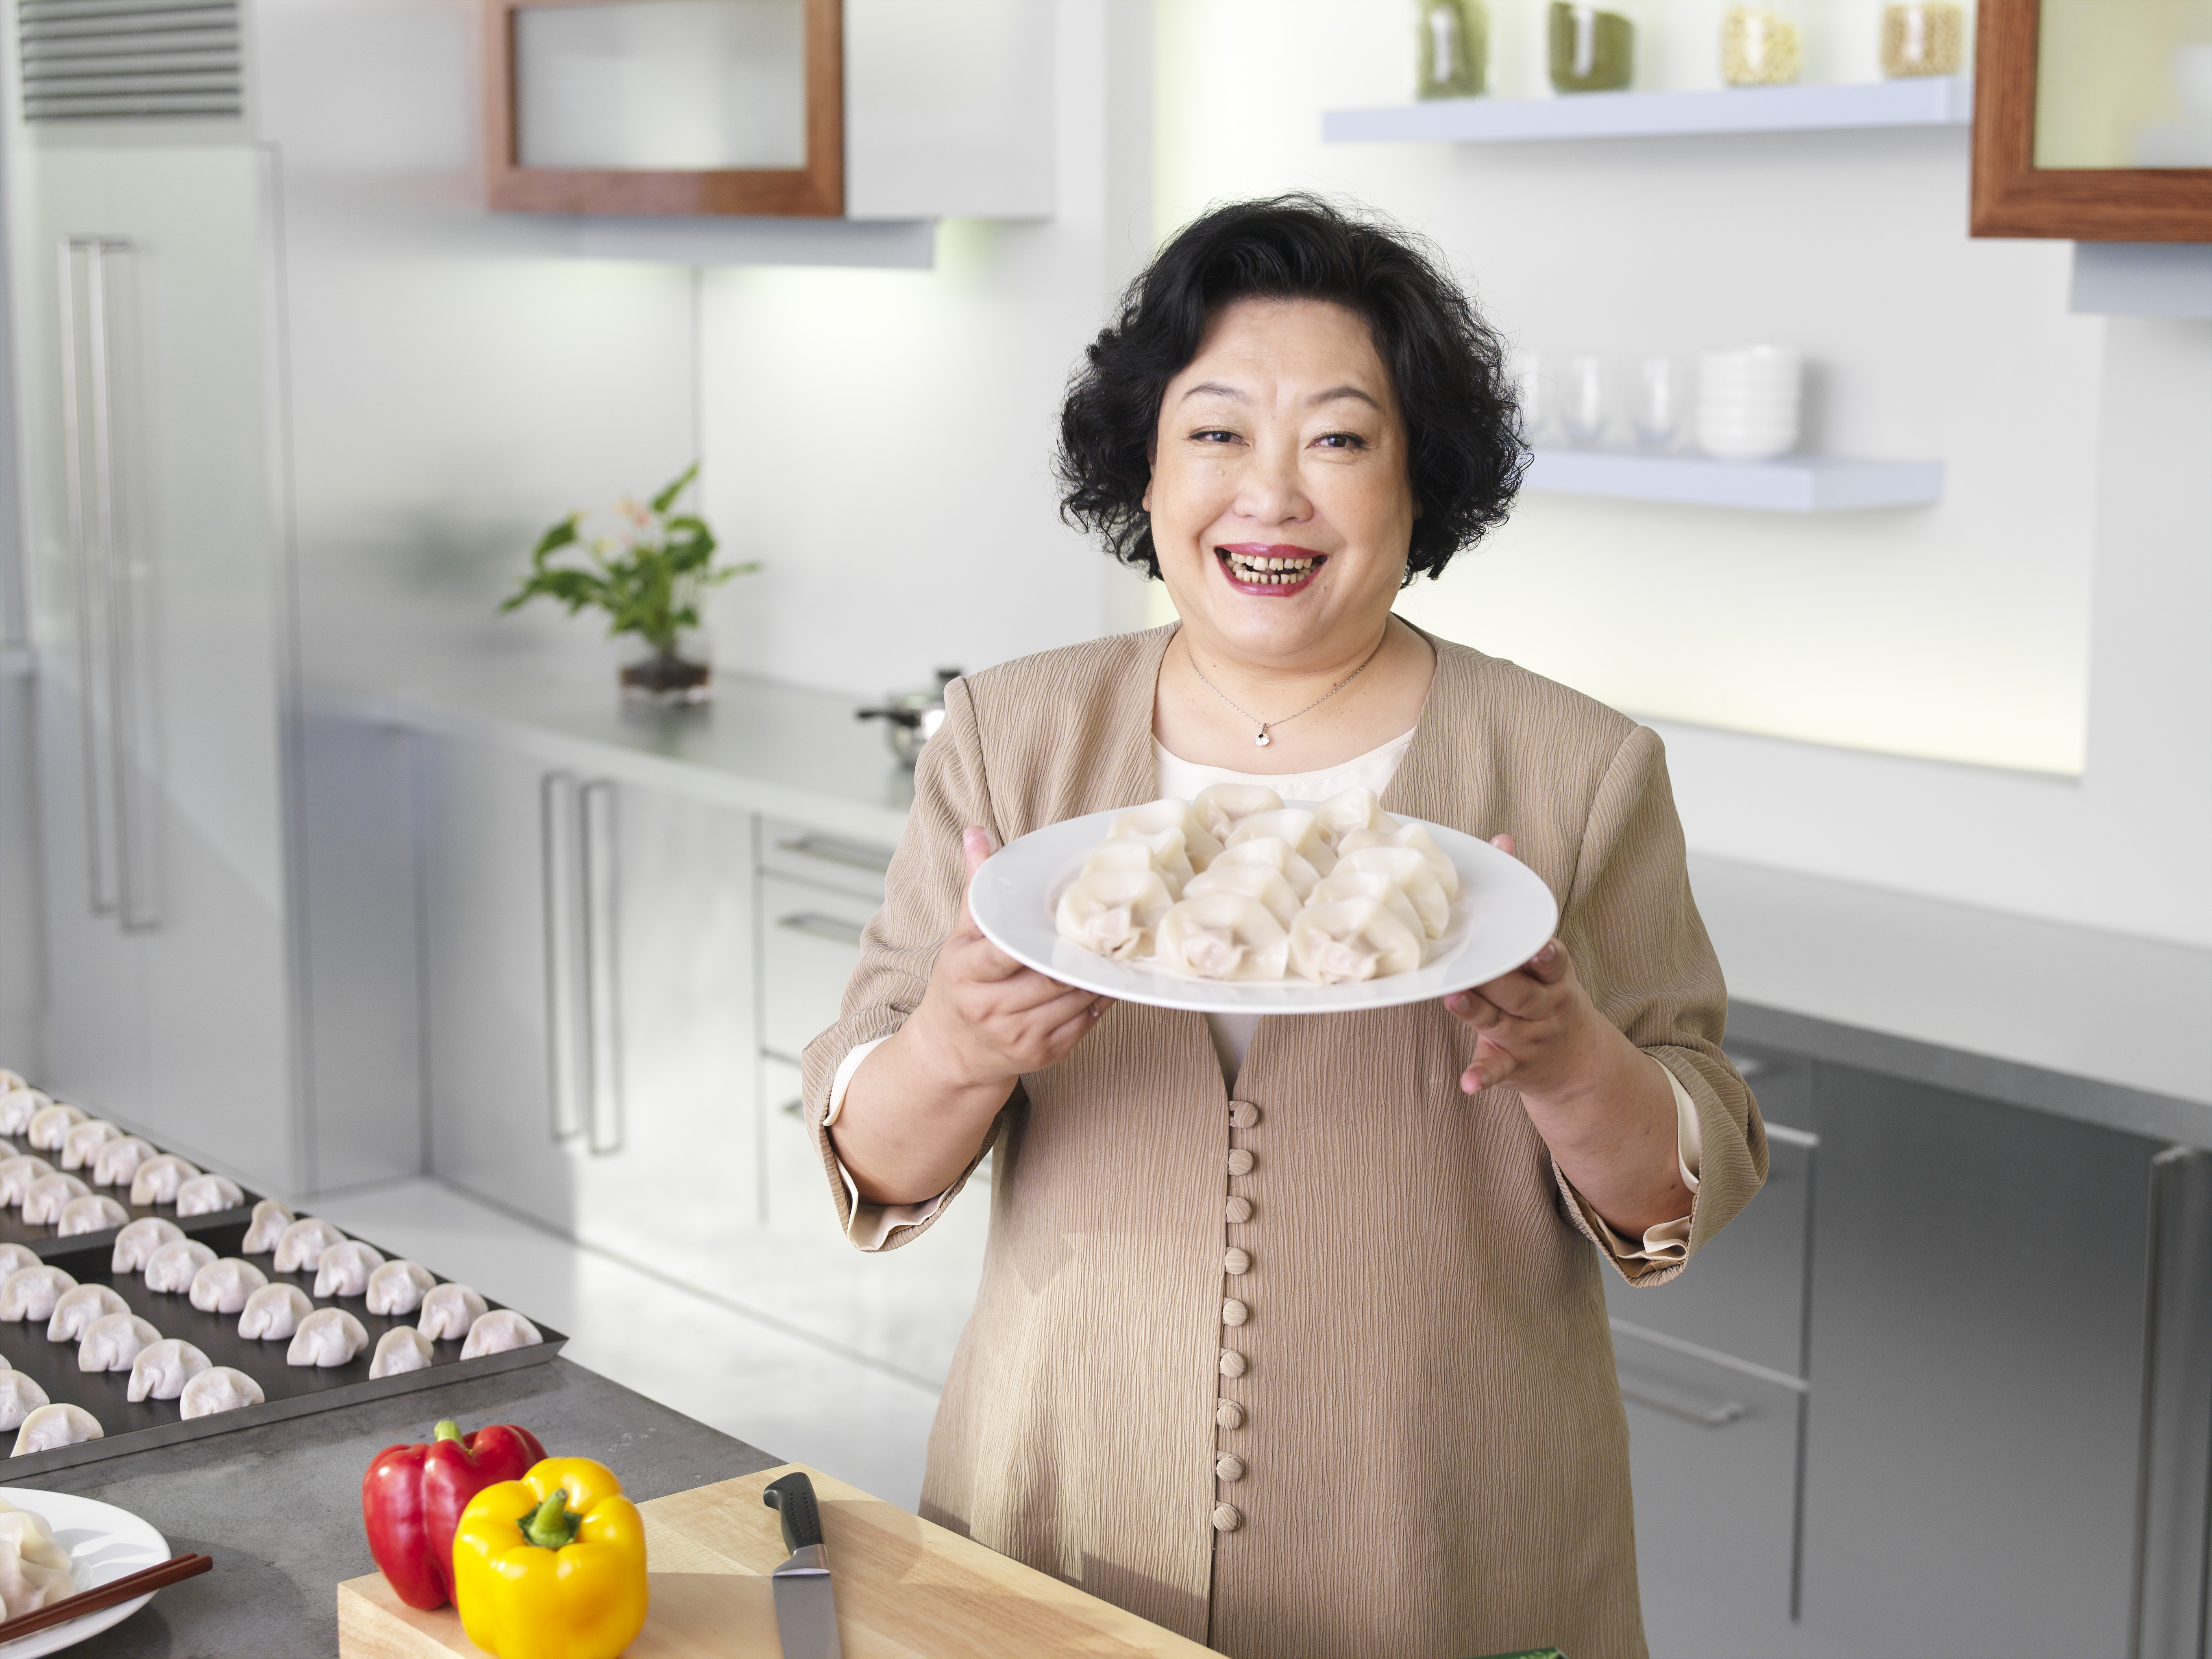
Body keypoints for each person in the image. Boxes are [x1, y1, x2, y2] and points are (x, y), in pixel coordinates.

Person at [804, 195, 1765, 1659]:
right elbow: (870, 1163)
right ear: (1144, 461)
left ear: (1417, 477)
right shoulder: (1014, 738)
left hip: (1446, 1539)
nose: (1271, 495)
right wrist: (955, 1038)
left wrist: (1567, 1057)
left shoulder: (1579, 771)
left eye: (1337, 437)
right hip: (1067, 1502)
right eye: (1214, 432)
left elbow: (1681, 1191)